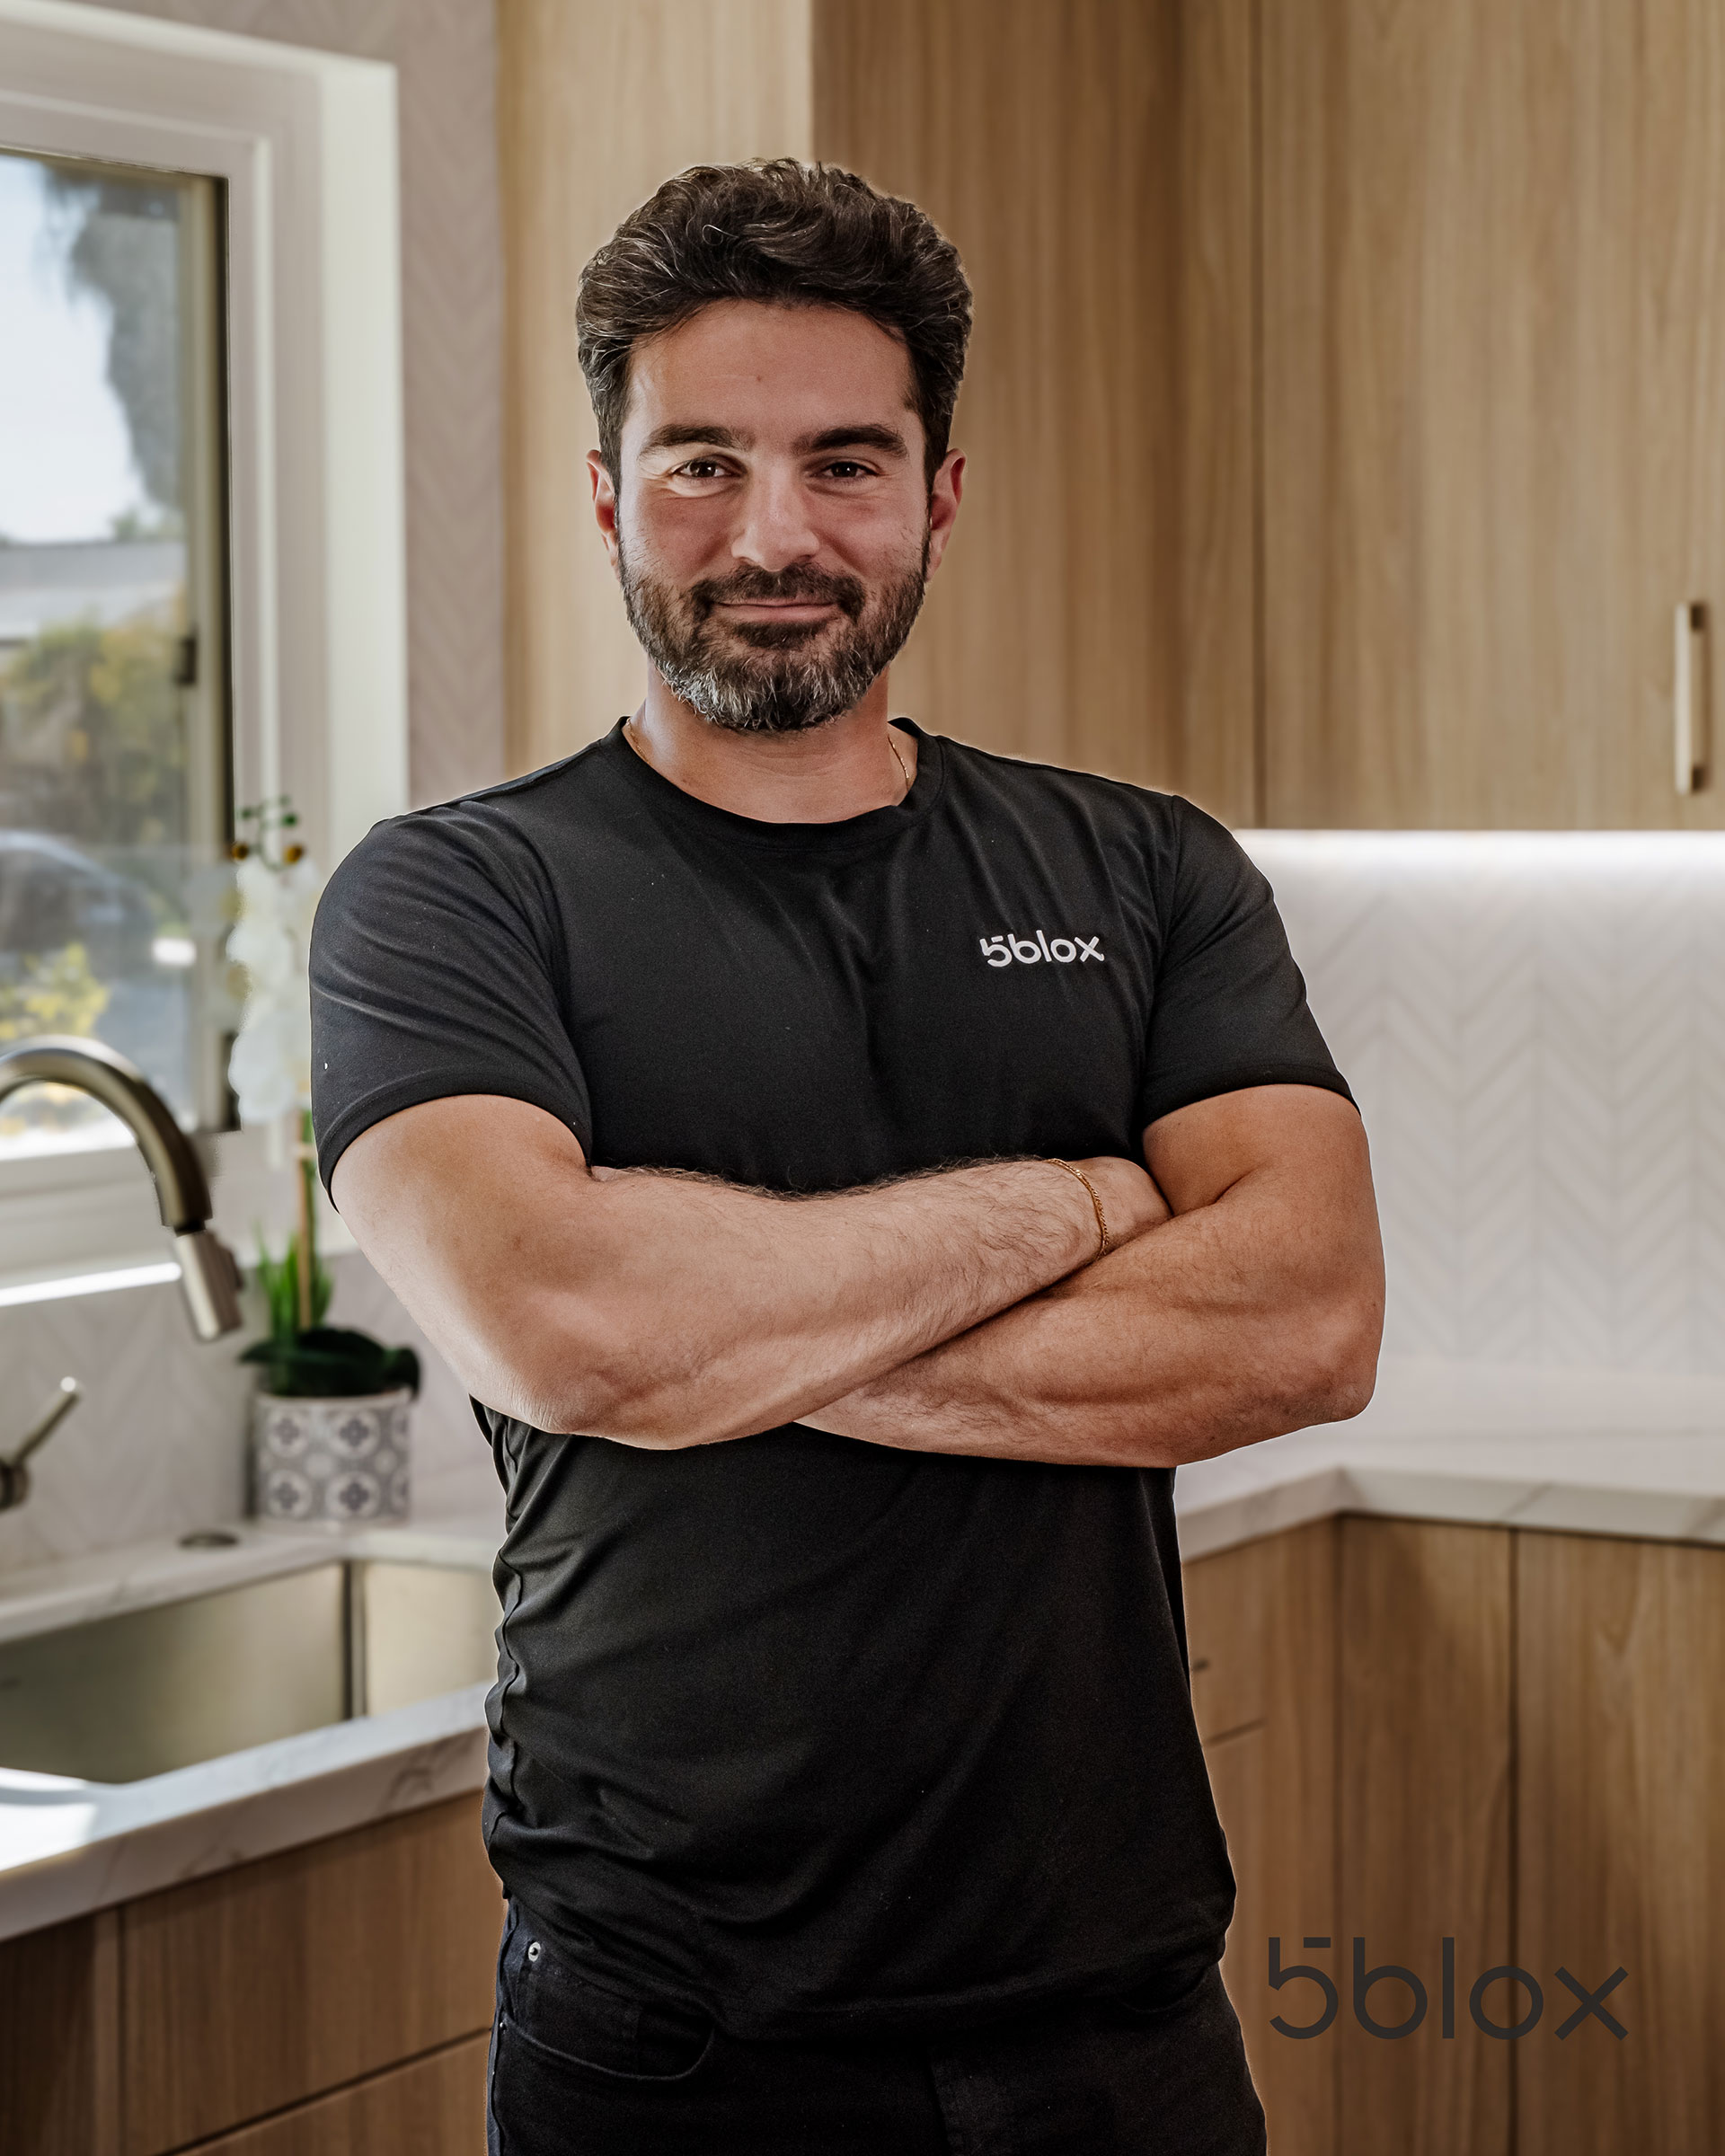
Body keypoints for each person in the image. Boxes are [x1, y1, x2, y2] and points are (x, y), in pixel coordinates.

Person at [311, 159, 1384, 2156]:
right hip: (670, 2040)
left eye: (845, 461)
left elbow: (1308, 1322)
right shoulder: (457, 901)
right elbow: (566, 1332)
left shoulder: (1143, 871)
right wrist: (1077, 1207)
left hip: (1122, 2020)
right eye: (703, 461)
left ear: (938, 498)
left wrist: (725, 1334)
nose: (776, 531)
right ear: (609, 493)